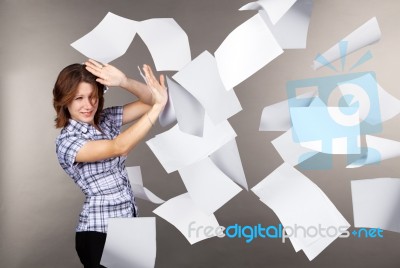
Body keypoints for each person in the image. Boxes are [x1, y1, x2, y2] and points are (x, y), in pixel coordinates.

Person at [53, 59, 167, 268]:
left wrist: (124, 81)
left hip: (128, 224)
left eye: (92, 96)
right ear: (64, 100)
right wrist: (158, 106)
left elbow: (152, 100)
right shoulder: (68, 142)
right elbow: (118, 147)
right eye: (79, 98)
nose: (88, 105)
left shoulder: (106, 119)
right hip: (99, 231)